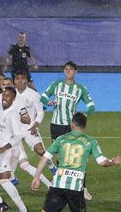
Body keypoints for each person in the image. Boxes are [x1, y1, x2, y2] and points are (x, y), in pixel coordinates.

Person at [19, 112, 121, 212]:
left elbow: (45, 157)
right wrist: (113, 161)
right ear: (84, 126)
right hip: (75, 187)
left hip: (58, 184)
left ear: (72, 124)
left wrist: (36, 177)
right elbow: (102, 162)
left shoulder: (61, 139)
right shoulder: (90, 141)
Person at [40, 61, 96, 200]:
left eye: (71, 69)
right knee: (60, 158)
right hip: (56, 125)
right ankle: (63, 185)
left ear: (75, 72)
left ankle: (82, 188)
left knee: (77, 156)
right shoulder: (56, 84)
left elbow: (91, 105)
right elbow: (43, 96)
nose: (68, 71)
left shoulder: (80, 88)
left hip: (72, 127)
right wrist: (48, 102)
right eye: (66, 69)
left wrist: (85, 114)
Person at [0, 87, 32, 212]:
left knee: (4, 178)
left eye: (8, 96)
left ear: (13, 98)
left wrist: (4, 148)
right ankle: (1, 203)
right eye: (4, 95)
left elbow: (17, 136)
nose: (5, 98)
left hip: (11, 148)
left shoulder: (13, 114)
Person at [13, 70, 56, 182]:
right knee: (12, 155)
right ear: (14, 81)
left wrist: (36, 124)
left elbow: (40, 112)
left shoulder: (34, 95)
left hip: (29, 128)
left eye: (23, 78)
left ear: (27, 80)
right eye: (17, 79)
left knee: (40, 151)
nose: (20, 81)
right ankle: (10, 177)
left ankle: (51, 166)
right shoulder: (11, 94)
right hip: (15, 130)